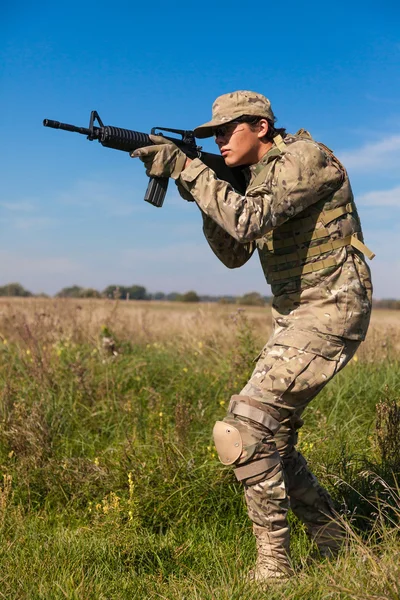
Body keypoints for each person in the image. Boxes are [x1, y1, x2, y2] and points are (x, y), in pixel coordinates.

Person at [131, 90, 374, 582]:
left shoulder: (306, 158)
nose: (218, 141)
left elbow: (248, 220)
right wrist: (202, 192)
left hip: (331, 309)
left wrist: (189, 170)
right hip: (297, 316)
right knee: (272, 438)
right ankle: (333, 540)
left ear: (261, 126)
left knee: (241, 427)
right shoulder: (254, 179)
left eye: (227, 130)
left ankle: (273, 567)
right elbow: (233, 251)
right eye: (213, 135)